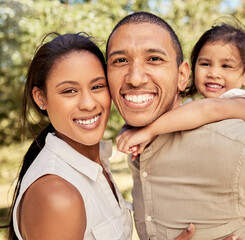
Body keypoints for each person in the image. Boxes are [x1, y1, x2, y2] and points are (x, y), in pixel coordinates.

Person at [106, 11, 245, 240]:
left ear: (182, 75)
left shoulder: (234, 135)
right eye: (120, 60)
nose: (135, 78)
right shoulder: (139, 149)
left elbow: (209, 110)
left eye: (154, 58)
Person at [7, 32, 198, 240]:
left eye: (97, 86)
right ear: (41, 98)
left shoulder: (94, 164)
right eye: (69, 91)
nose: (88, 104)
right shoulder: (56, 194)